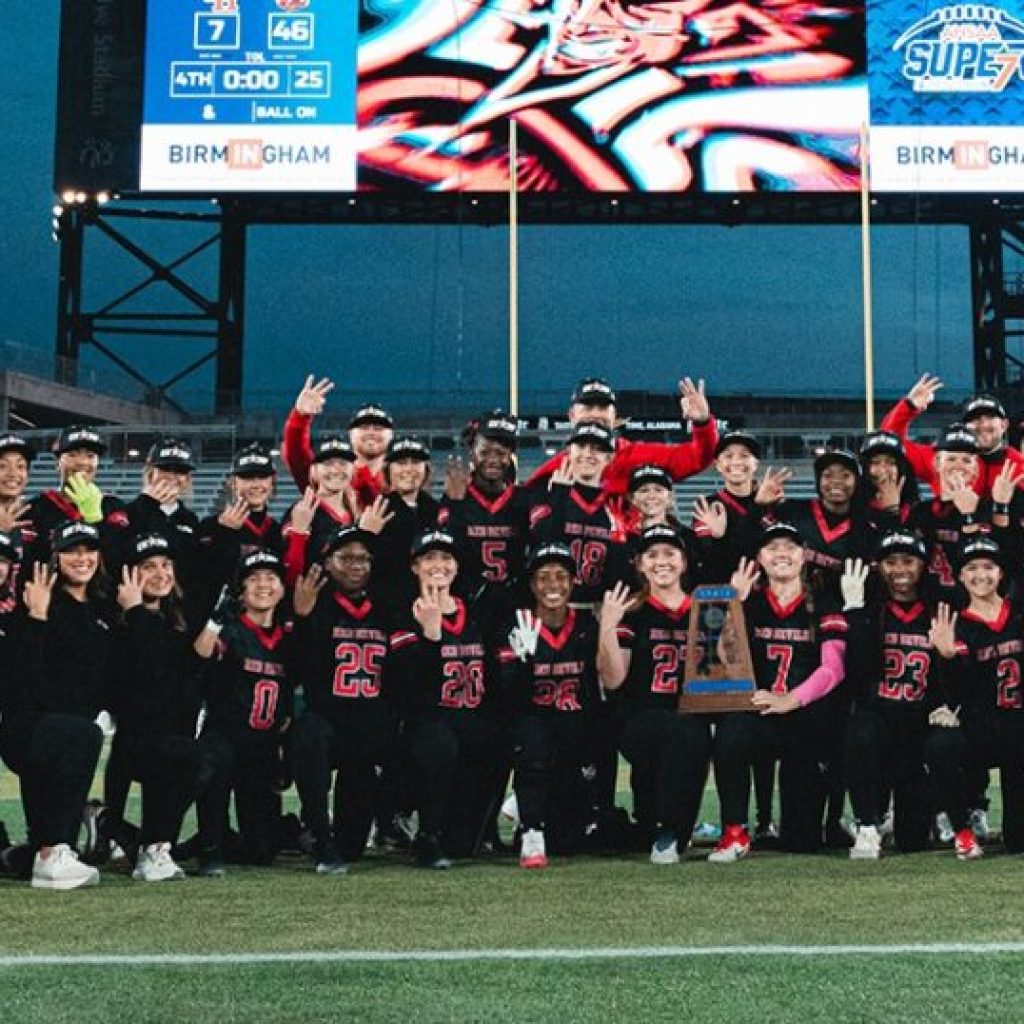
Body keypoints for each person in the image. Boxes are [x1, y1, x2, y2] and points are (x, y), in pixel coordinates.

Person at [599, 525, 754, 864]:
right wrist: (608, 628)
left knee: (705, 727)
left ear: (684, 562)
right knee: (687, 730)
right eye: (652, 555)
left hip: (690, 715)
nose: (661, 561)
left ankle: (692, 829)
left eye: (669, 553)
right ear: (640, 564)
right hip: (642, 717)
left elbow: (725, 666)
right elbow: (613, 680)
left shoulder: (706, 606)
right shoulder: (634, 611)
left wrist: (734, 609)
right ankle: (669, 829)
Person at [0, 521, 112, 889]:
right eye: (72, 551)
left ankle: (37, 851)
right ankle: (52, 854)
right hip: (26, 726)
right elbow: (22, 678)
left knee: (77, 736)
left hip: (62, 730)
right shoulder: (38, 601)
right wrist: (36, 618)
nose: (81, 558)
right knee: (83, 736)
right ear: (56, 557)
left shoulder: (102, 609)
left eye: (88, 550)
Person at [387, 529, 502, 869]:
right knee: (438, 742)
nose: (438, 565)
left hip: (471, 717)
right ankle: (427, 832)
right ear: (415, 566)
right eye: (429, 558)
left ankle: (484, 827)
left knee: (464, 845)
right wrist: (432, 636)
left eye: (446, 558)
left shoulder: (476, 611)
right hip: (427, 721)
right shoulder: (402, 612)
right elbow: (407, 686)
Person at [733, 523, 851, 854]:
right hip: (757, 711)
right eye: (772, 547)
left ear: (805, 556)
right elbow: (718, 660)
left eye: (790, 547)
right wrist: (733, 607)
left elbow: (834, 668)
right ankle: (736, 826)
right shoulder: (750, 602)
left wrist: (791, 699)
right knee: (733, 735)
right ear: (759, 558)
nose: (781, 553)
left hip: (805, 716)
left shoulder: (824, 603)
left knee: (801, 841)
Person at [291, 526, 396, 873]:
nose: (356, 565)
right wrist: (303, 620)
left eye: (363, 558)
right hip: (326, 718)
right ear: (328, 562)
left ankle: (383, 824)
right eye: (346, 557)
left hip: (367, 725)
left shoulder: (384, 606)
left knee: (351, 848)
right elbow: (297, 665)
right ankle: (318, 833)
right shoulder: (315, 603)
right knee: (311, 735)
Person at [102, 533, 203, 881]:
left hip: (170, 736)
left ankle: (152, 845)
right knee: (193, 757)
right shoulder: (119, 622)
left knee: (205, 758)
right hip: (137, 741)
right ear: (130, 575)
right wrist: (133, 609)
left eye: (166, 565)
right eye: (149, 566)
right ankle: (151, 847)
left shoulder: (178, 621)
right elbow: (151, 668)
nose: (161, 573)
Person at [843, 529, 946, 859]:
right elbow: (858, 672)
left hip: (918, 721)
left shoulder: (939, 608)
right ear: (879, 567)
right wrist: (855, 610)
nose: (899, 569)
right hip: (880, 717)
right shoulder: (873, 608)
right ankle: (867, 823)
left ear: (923, 565)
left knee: (913, 841)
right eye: (890, 562)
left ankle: (930, 814)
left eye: (908, 561)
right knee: (860, 731)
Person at [192, 549, 296, 875]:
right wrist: (214, 622)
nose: (263, 584)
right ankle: (209, 843)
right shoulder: (229, 629)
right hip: (226, 736)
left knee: (262, 851)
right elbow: (200, 658)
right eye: (253, 578)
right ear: (241, 590)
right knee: (214, 760)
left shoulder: (289, 636)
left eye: (270, 577)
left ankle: (271, 832)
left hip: (262, 745)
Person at [500, 543, 601, 868]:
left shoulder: (585, 626)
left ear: (573, 582)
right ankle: (531, 830)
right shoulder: (517, 625)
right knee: (534, 738)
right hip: (533, 723)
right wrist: (523, 662)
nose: (553, 585)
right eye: (543, 578)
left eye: (561, 576)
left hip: (573, 728)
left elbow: (593, 691)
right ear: (531, 585)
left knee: (568, 844)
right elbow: (510, 698)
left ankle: (530, 809)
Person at [928, 536, 1024, 860]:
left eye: (988, 567)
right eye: (971, 568)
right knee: (941, 746)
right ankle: (963, 831)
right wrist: (948, 656)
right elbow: (961, 691)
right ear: (959, 576)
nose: (980, 575)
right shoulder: (958, 624)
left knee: (1018, 841)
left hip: (1019, 725)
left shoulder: (1018, 614)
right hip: (982, 725)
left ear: (1001, 573)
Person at [527, 376, 718, 495]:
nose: (595, 413)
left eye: (602, 407)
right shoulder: (557, 469)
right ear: (571, 416)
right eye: (588, 407)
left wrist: (702, 423)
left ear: (615, 416)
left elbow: (697, 459)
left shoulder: (638, 455)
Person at [438, 411, 532, 631]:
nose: (493, 460)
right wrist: (455, 506)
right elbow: (445, 551)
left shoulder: (522, 501)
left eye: (501, 453)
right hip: (466, 604)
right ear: (472, 451)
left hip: (512, 606)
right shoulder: (456, 497)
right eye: (485, 451)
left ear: (511, 454)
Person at [529, 423, 631, 607]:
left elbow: (620, 573)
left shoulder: (615, 505)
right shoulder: (545, 495)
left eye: (597, 449)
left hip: (597, 608)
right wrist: (558, 499)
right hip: (550, 607)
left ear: (609, 458)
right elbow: (539, 545)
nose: (588, 454)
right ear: (569, 451)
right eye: (581, 446)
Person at [881, 375, 1024, 496]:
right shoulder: (942, 459)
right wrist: (909, 406)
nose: (983, 425)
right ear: (964, 426)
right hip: (946, 527)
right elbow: (888, 443)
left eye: (990, 418)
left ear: (1004, 425)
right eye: (975, 419)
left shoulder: (1019, 465)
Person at [691, 431, 789, 584]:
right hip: (726, 594)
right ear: (717, 465)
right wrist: (718, 540)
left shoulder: (774, 503)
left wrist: (724, 538)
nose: (736, 462)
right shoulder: (709, 506)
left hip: (769, 593)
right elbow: (710, 566)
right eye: (728, 456)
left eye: (744, 456)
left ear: (755, 464)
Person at [281, 375, 394, 506]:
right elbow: (297, 457)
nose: (371, 433)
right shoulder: (330, 475)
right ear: (350, 434)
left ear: (391, 434)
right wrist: (300, 417)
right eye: (363, 427)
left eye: (379, 428)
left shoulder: (404, 475)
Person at [24, 425, 128, 566]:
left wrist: (96, 522)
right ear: (57, 463)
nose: (82, 462)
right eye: (72, 454)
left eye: (90, 456)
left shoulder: (114, 506)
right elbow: (30, 562)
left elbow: (120, 563)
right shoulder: (35, 508)